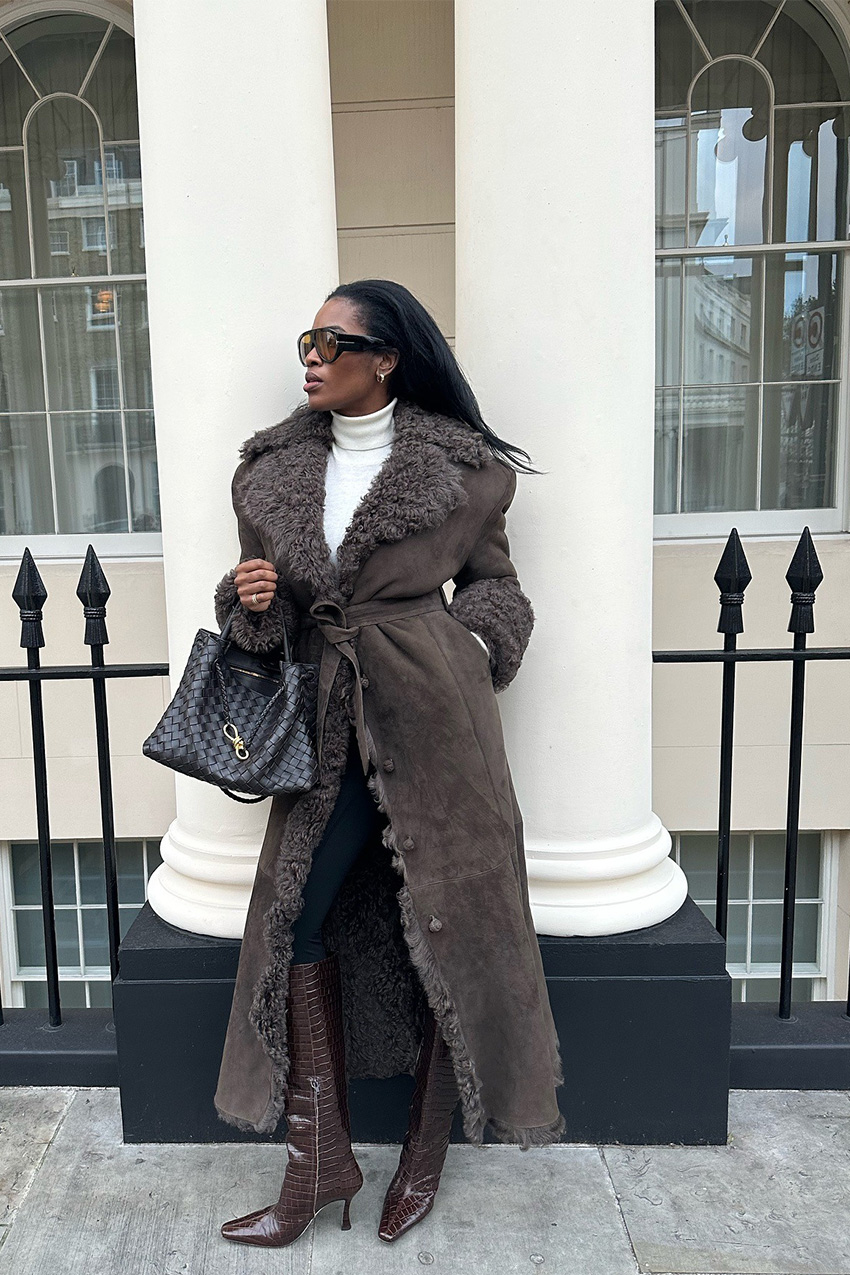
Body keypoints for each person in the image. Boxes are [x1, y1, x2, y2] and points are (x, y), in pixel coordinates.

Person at [211, 278, 565, 1249]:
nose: (312, 355)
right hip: (324, 721)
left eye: (333, 339)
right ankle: (319, 1157)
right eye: (307, 339)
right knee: (301, 924)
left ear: (389, 358)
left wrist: (474, 655)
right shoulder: (269, 470)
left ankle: (422, 1151)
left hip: (435, 723)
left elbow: (495, 588)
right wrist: (250, 598)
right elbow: (271, 616)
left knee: (442, 930)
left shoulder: (468, 472)